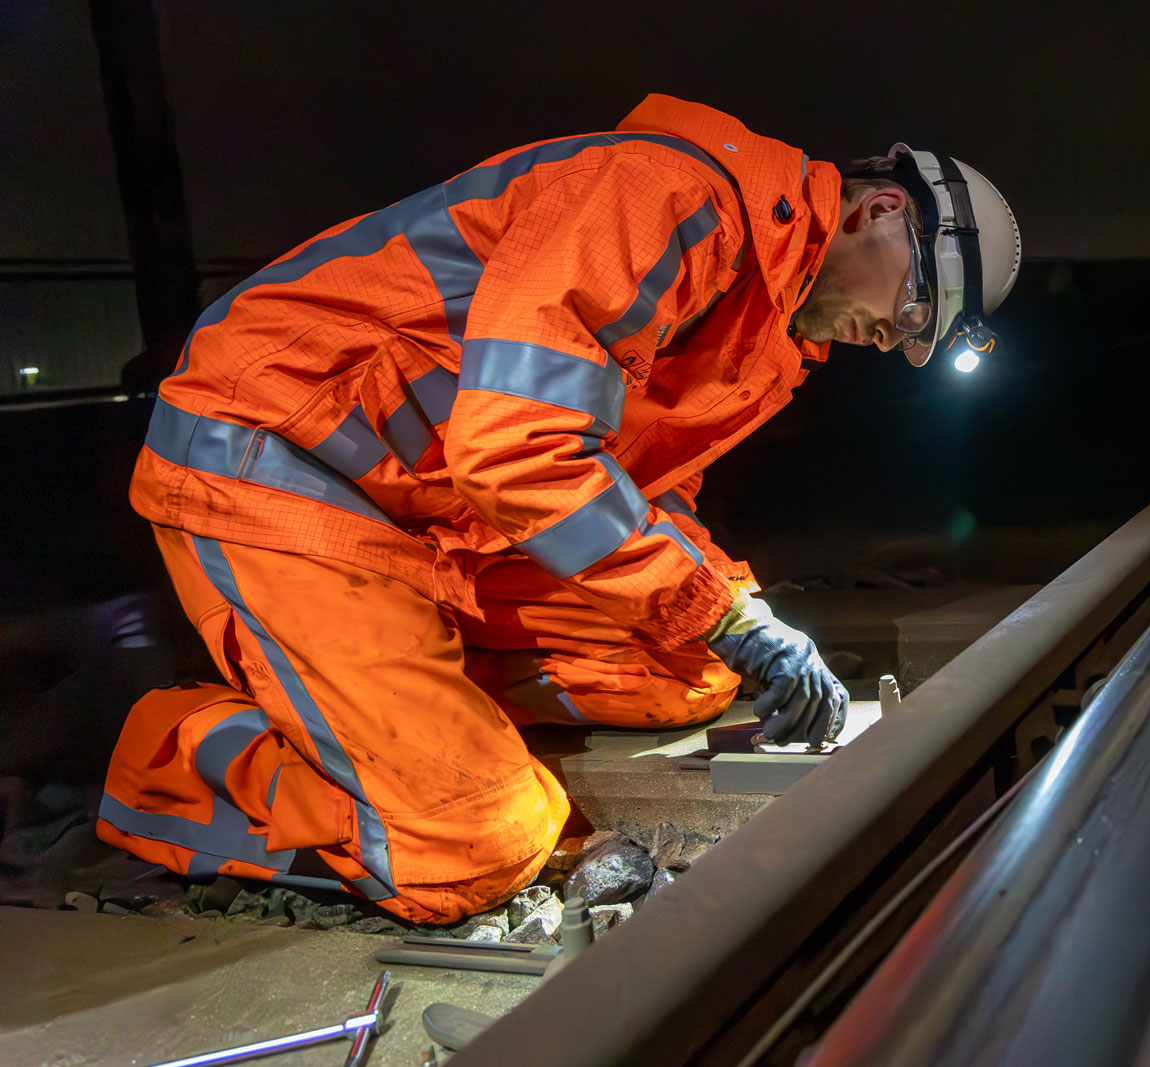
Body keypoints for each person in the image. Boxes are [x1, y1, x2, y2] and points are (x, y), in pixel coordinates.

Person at [96, 95, 1021, 922]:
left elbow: (640, 491)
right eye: (913, 310)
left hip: (438, 509)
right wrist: (722, 610)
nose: (897, 345)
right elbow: (520, 450)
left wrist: (744, 617)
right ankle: (175, 759)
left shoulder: (762, 323)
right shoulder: (664, 198)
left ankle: (389, 707)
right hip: (281, 461)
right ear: (882, 209)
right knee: (475, 845)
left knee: (689, 670)